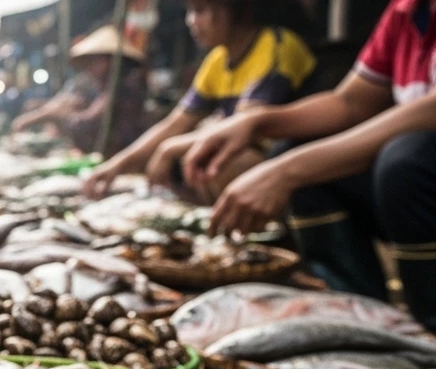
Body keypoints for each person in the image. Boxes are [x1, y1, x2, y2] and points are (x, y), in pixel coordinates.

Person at [184, 0, 436, 329]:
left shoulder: (274, 46)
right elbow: (350, 101)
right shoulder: (404, 12)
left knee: (404, 162)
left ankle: (428, 326)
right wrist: (257, 123)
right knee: (297, 153)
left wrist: (288, 170)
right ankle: (360, 317)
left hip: (415, 178)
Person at [84, 0, 315, 200]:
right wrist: (117, 165)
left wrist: (170, 148)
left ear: (233, 10)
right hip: (254, 158)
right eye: (190, 11)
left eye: (200, 10)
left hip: (294, 161)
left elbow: (245, 128)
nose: (191, 21)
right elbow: (176, 123)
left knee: (220, 162)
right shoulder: (217, 60)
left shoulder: (276, 46)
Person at [11, 26, 149, 155]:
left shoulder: (123, 88)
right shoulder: (96, 87)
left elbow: (87, 124)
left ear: (109, 61)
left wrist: (57, 116)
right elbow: (71, 102)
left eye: (94, 61)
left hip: (121, 155)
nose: (89, 67)